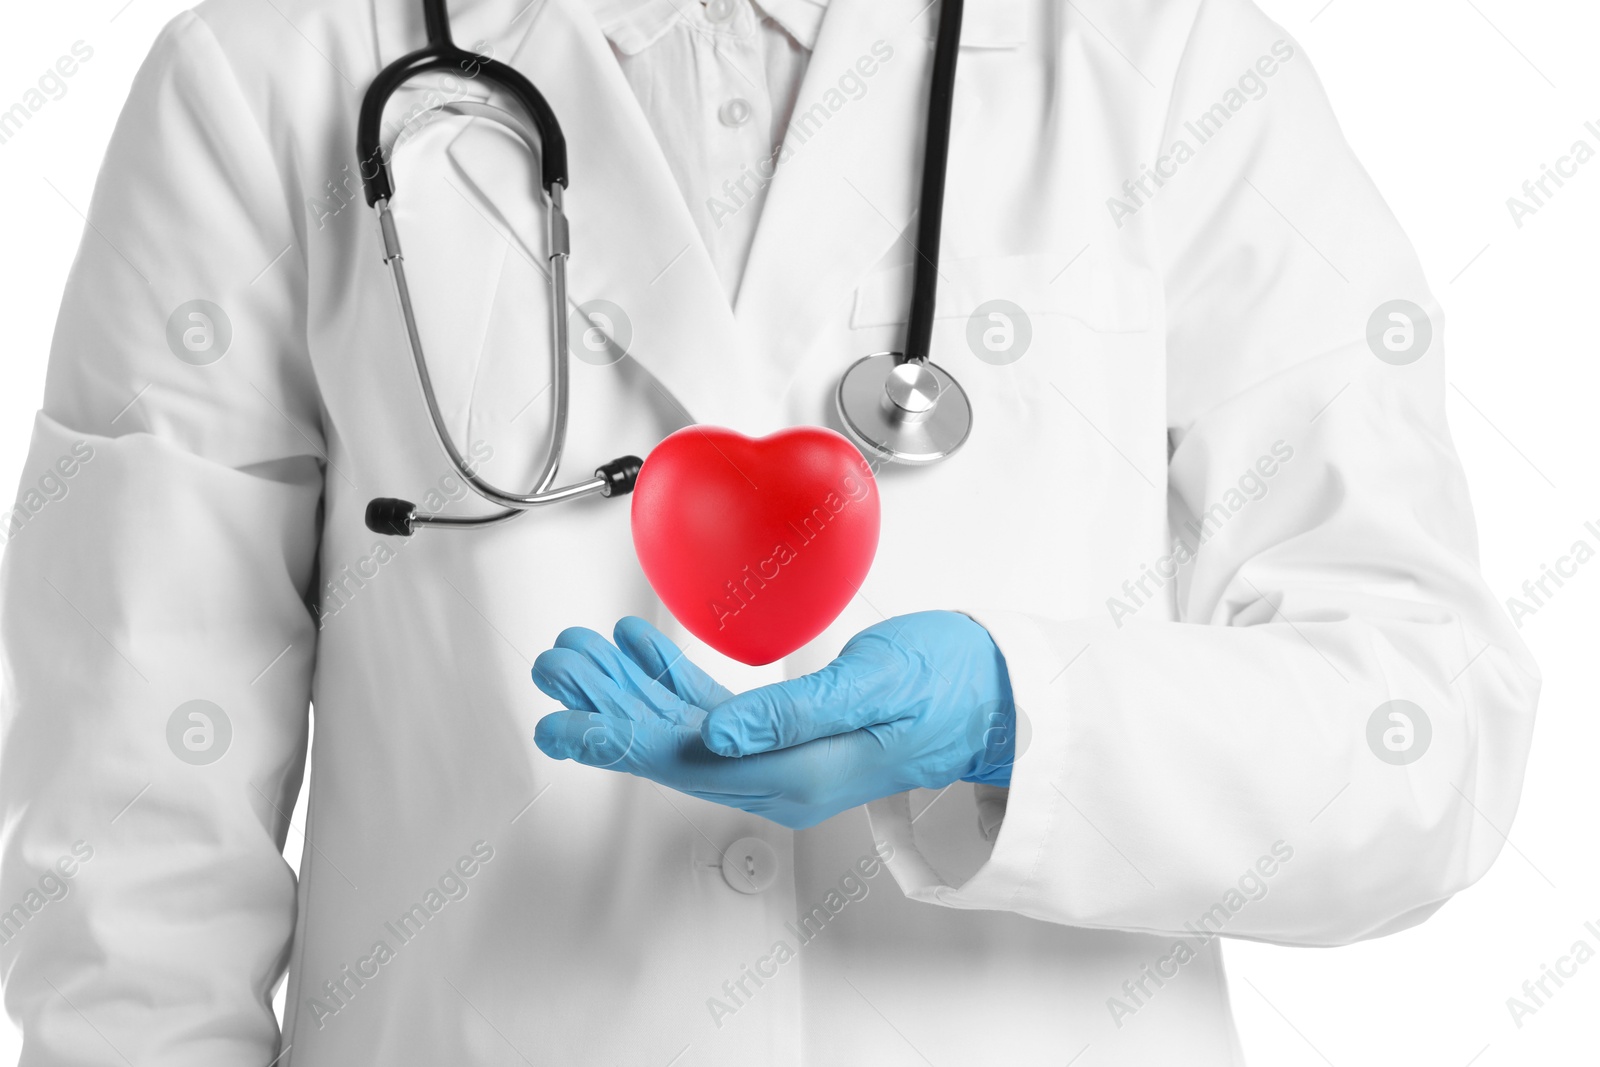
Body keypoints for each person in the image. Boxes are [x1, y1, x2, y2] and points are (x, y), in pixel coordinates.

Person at [0, 0, 1539, 1063]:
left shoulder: (1168, 63)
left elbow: (1425, 726)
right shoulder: (267, 71)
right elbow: (137, 814)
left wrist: (1016, 719)